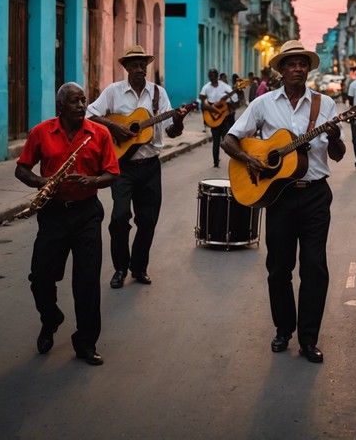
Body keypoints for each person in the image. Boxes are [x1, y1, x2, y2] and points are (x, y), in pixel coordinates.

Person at [221, 40, 346, 363]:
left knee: (315, 267)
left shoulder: (325, 105)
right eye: (291, 64)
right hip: (278, 196)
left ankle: (308, 339)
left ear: (308, 69)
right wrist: (249, 159)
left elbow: (338, 155)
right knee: (279, 267)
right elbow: (229, 139)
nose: (298, 69)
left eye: (303, 64)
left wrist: (333, 137)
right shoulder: (263, 104)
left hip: (316, 194)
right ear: (281, 69)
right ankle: (282, 329)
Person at [16, 82, 119, 365]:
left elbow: (112, 174)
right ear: (60, 106)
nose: (82, 105)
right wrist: (42, 182)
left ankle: (85, 343)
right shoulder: (41, 132)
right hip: (53, 213)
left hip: (87, 213)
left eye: (84, 100)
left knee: (86, 282)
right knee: (40, 278)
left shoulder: (99, 133)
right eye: (75, 101)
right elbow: (21, 169)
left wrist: (93, 181)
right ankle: (51, 319)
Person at [87, 45, 184, 289]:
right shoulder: (113, 92)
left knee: (148, 220)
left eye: (143, 64)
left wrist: (179, 121)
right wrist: (114, 127)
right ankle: (120, 267)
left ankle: (139, 267)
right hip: (121, 167)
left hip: (150, 166)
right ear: (126, 67)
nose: (140, 68)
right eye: (135, 64)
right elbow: (90, 115)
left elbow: (172, 131)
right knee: (119, 217)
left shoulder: (158, 94)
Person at [200, 68, 240, 168]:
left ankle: (234, 160)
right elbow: (203, 102)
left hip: (224, 118)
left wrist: (229, 96)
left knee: (227, 140)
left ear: (217, 76)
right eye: (210, 75)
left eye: (213, 75)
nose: (212, 77)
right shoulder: (206, 87)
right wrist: (213, 109)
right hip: (213, 116)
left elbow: (235, 98)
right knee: (216, 141)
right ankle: (216, 161)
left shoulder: (224, 86)